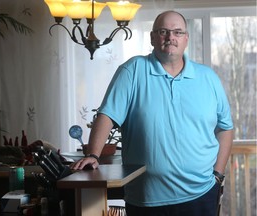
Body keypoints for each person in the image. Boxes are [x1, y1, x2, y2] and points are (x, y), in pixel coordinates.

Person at [70, 10, 234, 216]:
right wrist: (93, 154)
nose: (171, 37)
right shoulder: (132, 70)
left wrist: (217, 174)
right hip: (146, 198)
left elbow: (226, 128)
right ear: (153, 37)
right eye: (164, 31)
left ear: (186, 38)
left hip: (201, 194)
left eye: (177, 32)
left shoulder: (208, 77)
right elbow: (107, 115)